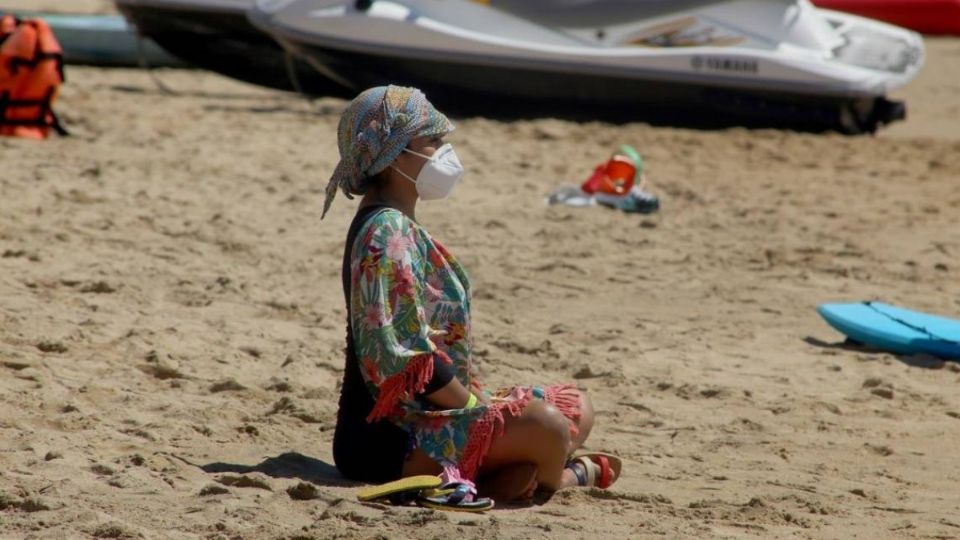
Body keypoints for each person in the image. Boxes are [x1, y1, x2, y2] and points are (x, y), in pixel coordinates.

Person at [327, 85, 621, 502]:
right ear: (394, 155)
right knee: (549, 427)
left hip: (430, 411)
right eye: (433, 141)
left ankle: (513, 473)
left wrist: (481, 407)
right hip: (388, 439)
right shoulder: (385, 231)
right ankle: (565, 477)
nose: (445, 151)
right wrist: (474, 408)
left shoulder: (396, 221)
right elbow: (405, 355)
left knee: (576, 406)